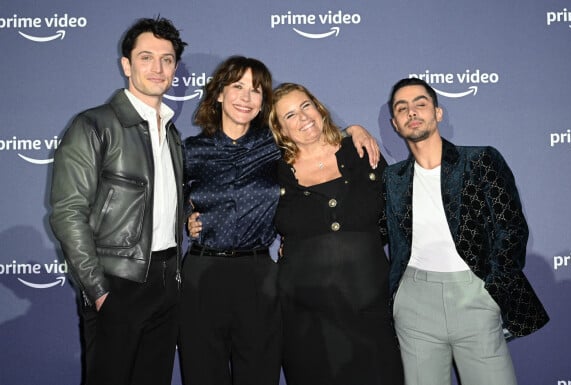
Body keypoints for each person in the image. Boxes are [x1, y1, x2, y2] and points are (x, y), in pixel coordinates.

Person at [179, 56, 379, 385]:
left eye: (256, 90)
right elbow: (170, 202)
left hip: (258, 275)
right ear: (218, 94)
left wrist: (353, 130)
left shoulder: (273, 145)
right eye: (237, 87)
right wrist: (187, 217)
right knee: (202, 374)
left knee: (259, 374)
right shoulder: (192, 149)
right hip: (203, 274)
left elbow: (313, 136)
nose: (246, 96)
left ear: (263, 102)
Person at [384, 77, 549, 385]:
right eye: (402, 108)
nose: (412, 112)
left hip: (474, 294)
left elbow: (511, 228)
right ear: (395, 123)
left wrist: (492, 288)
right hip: (414, 301)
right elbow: (372, 229)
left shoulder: (480, 160)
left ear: (438, 112)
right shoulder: (392, 178)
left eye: (420, 103)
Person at [49, 17, 187, 385]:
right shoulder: (93, 125)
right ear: (126, 64)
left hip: (167, 280)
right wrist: (97, 289)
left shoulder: (172, 133)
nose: (158, 68)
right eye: (146, 57)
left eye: (167, 59)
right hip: (116, 282)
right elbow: (67, 213)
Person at [269, 82, 404, 385]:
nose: (303, 118)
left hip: (370, 307)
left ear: (318, 107)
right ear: (280, 129)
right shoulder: (271, 172)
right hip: (304, 315)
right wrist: (197, 216)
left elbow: (392, 218)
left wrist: (353, 128)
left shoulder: (359, 150)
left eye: (306, 106)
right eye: (289, 116)